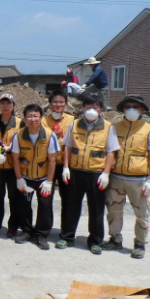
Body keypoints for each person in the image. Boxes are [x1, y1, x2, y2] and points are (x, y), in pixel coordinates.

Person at [56, 95, 120, 254]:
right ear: (83, 109)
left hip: (96, 174)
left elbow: (111, 151)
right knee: (71, 206)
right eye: (88, 107)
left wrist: (106, 173)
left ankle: (95, 241)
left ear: (101, 109)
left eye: (95, 107)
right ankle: (67, 237)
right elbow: (68, 147)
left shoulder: (108, 127)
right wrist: (66, 167)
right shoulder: (74, 124)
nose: (91, 110)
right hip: (76, 172)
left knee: (96, 209)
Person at [103, 95, 150, 259]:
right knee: (113, 210)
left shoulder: (149, 129)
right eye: (128, 106)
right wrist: (106, 173)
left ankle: (140, 244)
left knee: (142, 213)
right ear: (123, 109)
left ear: (142, 110)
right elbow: (110, 151)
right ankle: (115, 239)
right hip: (116, 178)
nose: (132, 109)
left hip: (139, 180)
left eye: (136, 106)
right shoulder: (115, 128)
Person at [11, 105, 59, 250]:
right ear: (25, 118)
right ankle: (26, 231)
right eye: (30, 116)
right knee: (24, 205)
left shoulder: (50, 135)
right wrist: (19, 179)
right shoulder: (18, 135)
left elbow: (52, 160)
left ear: (41, 118)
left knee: (45, 206)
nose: (33, 119)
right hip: (26, 177)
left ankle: (41, 234)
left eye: (36, 116)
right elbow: (15, 158)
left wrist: (49, 181)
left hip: (43, 178)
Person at [0, 93, 25, 237]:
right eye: (2, 103)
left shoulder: (20, 123)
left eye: (8, 103)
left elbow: (24, 142)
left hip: (13, 167)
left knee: (14, 198)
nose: (5, 106)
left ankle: (13, 226)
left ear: (13, 106)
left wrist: (11, 148)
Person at [42, 89, 74, 231]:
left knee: (68, 200)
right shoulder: (43, 121)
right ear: (50, 104)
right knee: (45, 199)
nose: (58, 105)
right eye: (55, 102)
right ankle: (44, 230)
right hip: (48, 164)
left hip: (66, 165)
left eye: (61, 102)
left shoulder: (72, 121)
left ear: (66, 104)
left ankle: (66, 232)